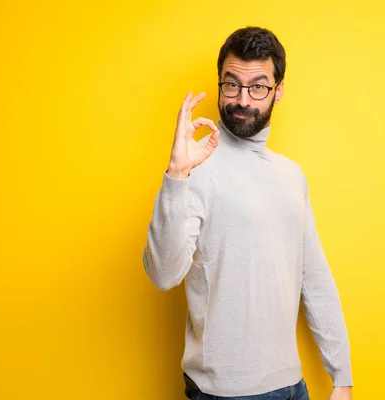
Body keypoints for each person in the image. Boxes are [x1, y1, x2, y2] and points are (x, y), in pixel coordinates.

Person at [143, 26, 354, 400]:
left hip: (293, 387)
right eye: (231, 85)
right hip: (225, 392)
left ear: (278, 90)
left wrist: (342, 376)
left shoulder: (290, 173)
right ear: (220, 84)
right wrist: (177, 175)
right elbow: (162, 274)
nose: (243, 99)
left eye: (258, 87)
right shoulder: (197, 163)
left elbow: (314, 274)